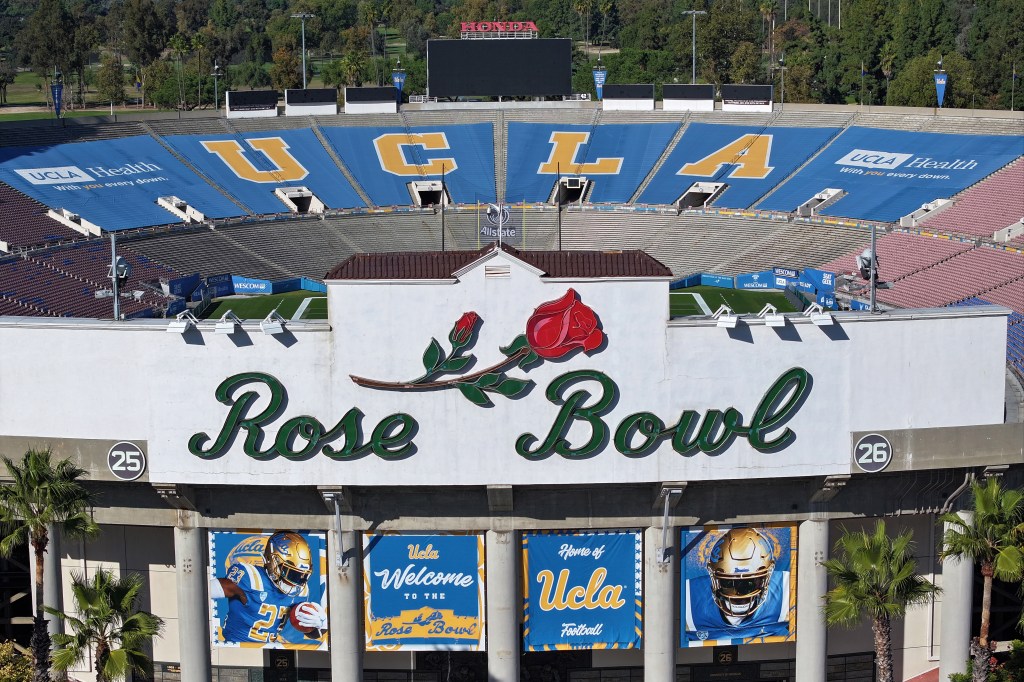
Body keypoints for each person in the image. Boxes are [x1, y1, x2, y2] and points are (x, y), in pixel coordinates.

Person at [211, 531, 328, 645]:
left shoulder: (302, 592)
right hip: (236, 648)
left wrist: (320, 625)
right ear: (273, 562)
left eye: (302, 576)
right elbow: (204, 591)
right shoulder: (251, 577)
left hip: (269, 650)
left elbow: (312, 633)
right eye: (291, 574)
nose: (295, 583)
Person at [683, 527, 792, 642]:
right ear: (712, 575)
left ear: (768, 575)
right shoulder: (689, 598)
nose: (738, 595)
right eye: (728, 583)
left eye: (749, 584)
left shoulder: (785, 591)